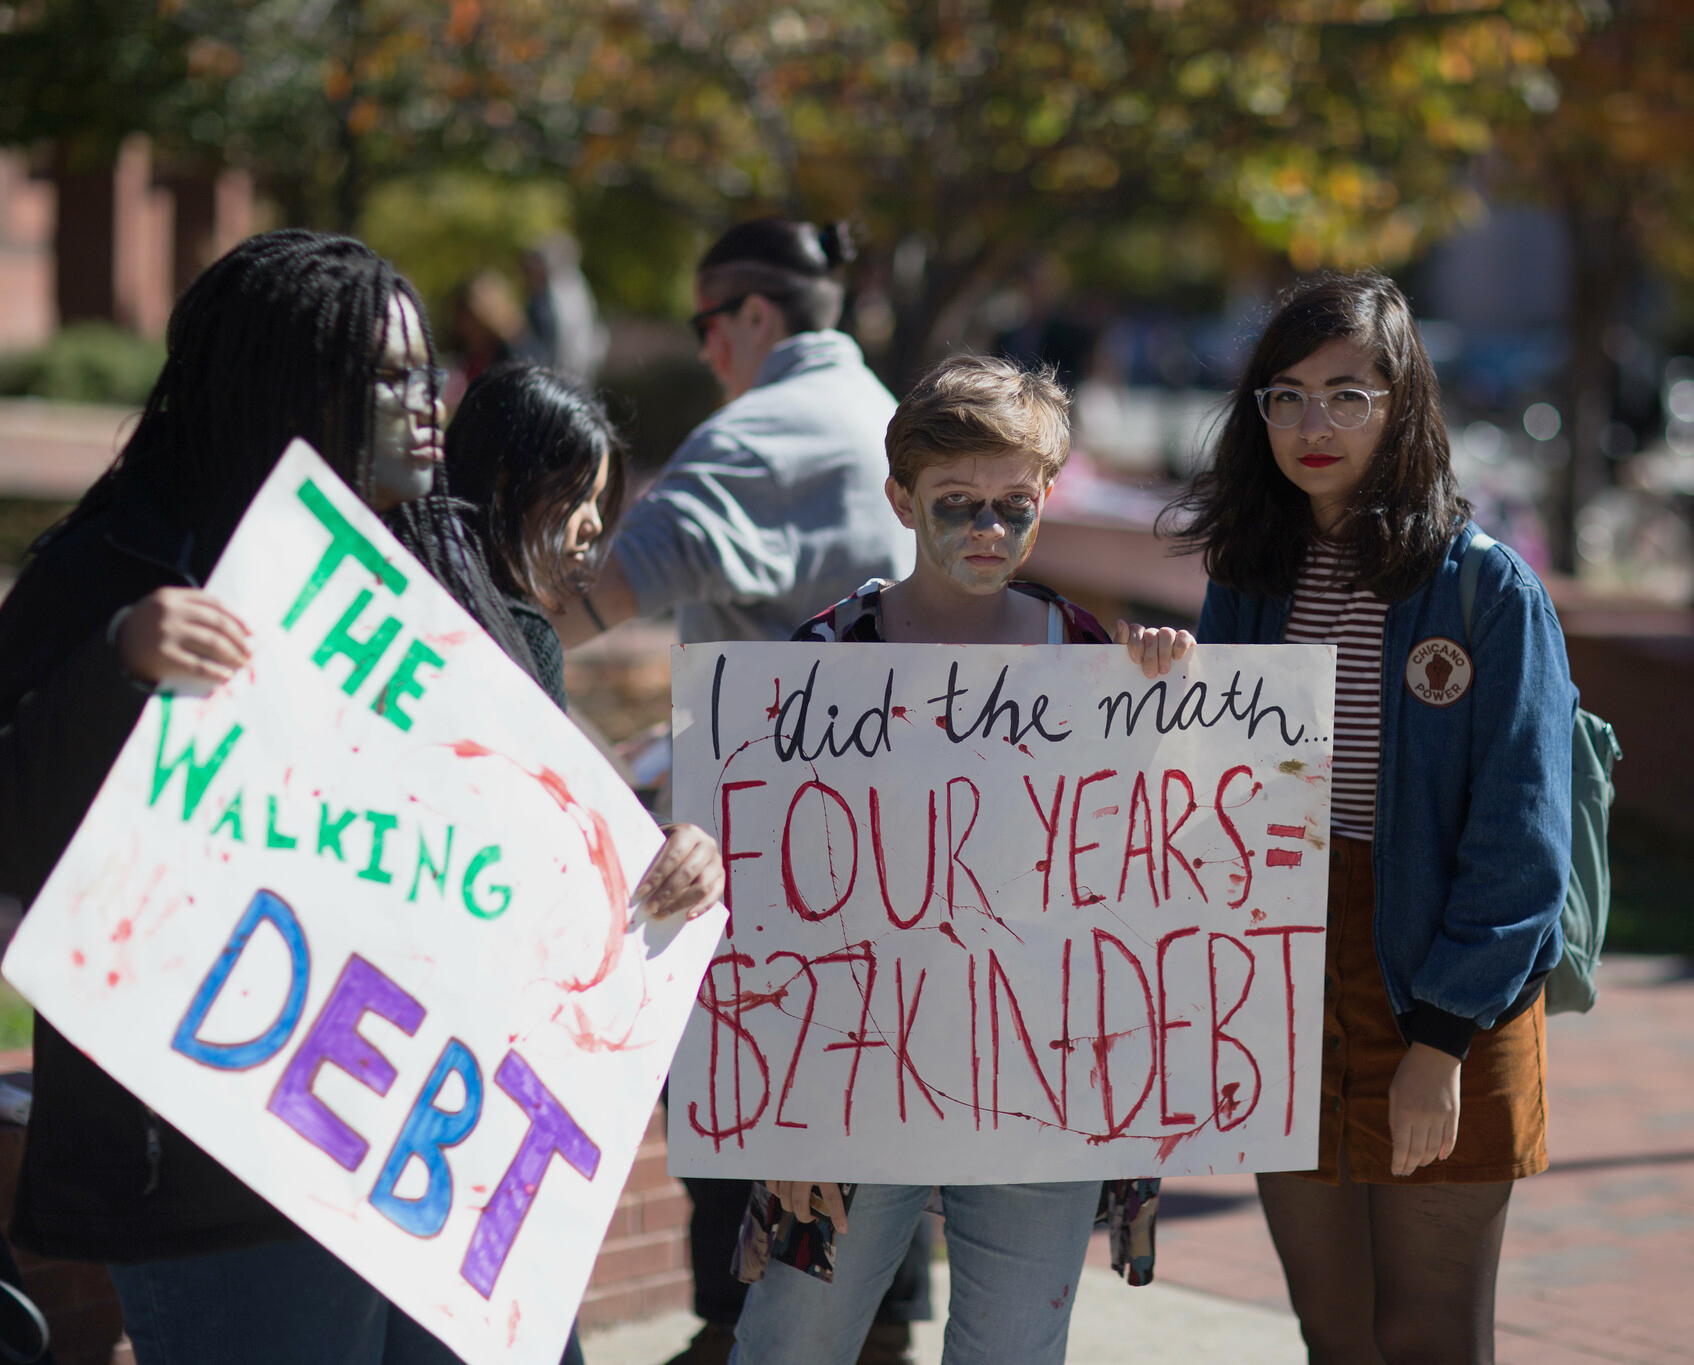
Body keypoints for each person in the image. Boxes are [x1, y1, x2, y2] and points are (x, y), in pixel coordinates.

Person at [0, 229, 723, 1365]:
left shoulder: (449, 582)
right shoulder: (123, 566)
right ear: (282, 384)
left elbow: (541, 819)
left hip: (435, 1166)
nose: (429, 398)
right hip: (221, 1167)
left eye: (424, 365)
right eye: (386, 375)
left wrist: (656, 859)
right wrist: (117, 662)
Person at [731, 354, 1183, 1365]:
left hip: (1039, 1080)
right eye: (955, 504)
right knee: (789, 1342)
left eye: (1011, 507)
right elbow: (769, 895)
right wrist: (781, 1116)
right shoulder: (824, 659)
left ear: (1045, 501)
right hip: (843, 1082)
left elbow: (1134, 856)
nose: (986, 530)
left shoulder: (1085, 655)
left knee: (1013, 1352)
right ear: (898, 498)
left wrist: (1160, 712)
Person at [1165, 271, 1573, 1364]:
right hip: (1286, 989)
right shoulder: (1248, 576)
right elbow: (1213, 791)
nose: (1311, 424)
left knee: (1428, 1339)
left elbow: (1520, 840)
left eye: (1346, 394)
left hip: (1446, 989)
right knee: (1335, 1335)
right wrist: (1160, 694)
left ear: (1402, 403)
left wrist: (1437, 1040)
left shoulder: (1482, 588)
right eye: (1284, 395)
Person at [547, 216, 924, 1365]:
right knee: (879, 1122)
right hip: (908, 854)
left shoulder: (753, 440)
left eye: (711, 324)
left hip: (765, 860)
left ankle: (745, 1336)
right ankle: (871, 1337)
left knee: (747, 1133)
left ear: (754, 314)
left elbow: (582, 605)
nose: (708, 349)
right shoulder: (894, 423)